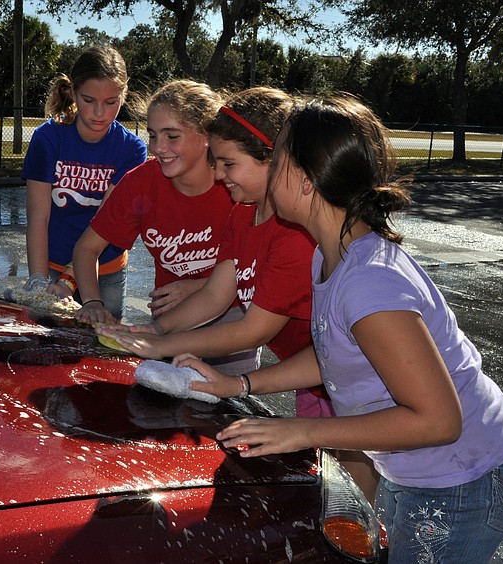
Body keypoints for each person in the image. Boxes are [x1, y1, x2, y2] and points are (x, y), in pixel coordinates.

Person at [183, 95, 503, 562]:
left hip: (463, 477)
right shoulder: (332, 254)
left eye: (275, 158)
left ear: (303, 178)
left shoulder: (367, 284)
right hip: (423, 469)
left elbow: (439, 420)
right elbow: (334, 354)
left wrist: (302, 432)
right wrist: (238, 382)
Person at [96, 87, 334, 409]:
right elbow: (214, 295)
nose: (219, 175)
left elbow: (253, 331)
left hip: (346, 380)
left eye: (228, 164)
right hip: (314, 375)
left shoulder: (293, 234)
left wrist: (162, 343)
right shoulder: (243, 213)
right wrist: (155, 328)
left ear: (272, 159)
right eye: (216, 163)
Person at [73, 79, 235, 332]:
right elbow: (86, 248)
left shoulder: (234, 185)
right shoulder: (141, 182)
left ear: (206, 136)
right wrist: (93, 302)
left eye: (172, 136)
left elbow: (259, 267)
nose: (158, 148)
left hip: (231, 315)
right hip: (170, 316)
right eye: (152, 135)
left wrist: (199, 286)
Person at [21, 45, 147, 320]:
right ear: (74, 92)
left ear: (124, 96)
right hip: (50, 261)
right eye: (89, 100)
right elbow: (38, 217)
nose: (99, 112)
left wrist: (69, 281)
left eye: (111, 102)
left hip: (107, 267)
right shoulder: (48, 139)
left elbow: (104, 224)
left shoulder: (132, 150)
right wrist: (39, 280)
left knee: (102, 344)